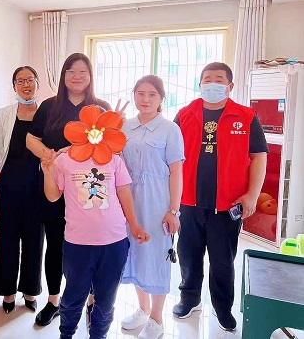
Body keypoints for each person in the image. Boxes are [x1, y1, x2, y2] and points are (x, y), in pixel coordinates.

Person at [173, 62, 268, 332]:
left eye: (218, 79)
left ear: (230, 86)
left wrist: (252, 195)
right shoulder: (185, 114)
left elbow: (259, 156)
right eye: (207, 79)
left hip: (228, 204)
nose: (212, 83)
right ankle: (189, 298)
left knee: (223, 261)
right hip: (188, 201)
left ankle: (223, 307)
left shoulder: (246, 117)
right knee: (188, 255)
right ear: (199, 84)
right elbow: (170, 157)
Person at [40, 104, 150, 339]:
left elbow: (123, 193)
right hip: (78, 243)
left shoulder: (114, 159)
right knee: (73, 297)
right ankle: (66, 334)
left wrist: (134, 225)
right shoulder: (64, 159)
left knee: (106, 301)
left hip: (114, 242)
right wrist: (48, 172)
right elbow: (53, 196)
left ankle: (98, 335)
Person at [26, 52, 111, 326]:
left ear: (91, 76)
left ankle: (91, 300)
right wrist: (51, 157)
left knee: (89, 246)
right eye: (71, 71)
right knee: (54, 245)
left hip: (88, 189)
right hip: (53, 185)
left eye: (82, 72)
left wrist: (72, 153)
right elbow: (30, 139)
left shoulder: (101, 108)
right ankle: (54, 301)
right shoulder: (49, 106)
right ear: (63, 76)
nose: (77, 77)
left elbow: (109, 148)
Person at [120, 75, 184, 339]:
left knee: (157, 256)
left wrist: (174, 210)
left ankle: (157, 318)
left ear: (161, 99)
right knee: (134, 252)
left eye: (152, 95)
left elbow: (177, 172)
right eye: (140, 93)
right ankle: (143, 308)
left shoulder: (170, 129)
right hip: (128, 199)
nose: (145, 99)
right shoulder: (125, 126)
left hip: (158, 202)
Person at [0, 66, 44, 314]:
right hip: (10, 184)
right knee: (7, 239)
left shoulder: (46, 113)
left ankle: (30, 290)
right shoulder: (5, 113)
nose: (26, 85)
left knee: (35, 239)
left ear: (37, 83)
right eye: (20, 81)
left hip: (38, 185)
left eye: (30, 80)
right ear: (14, 86)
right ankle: (8, 291)